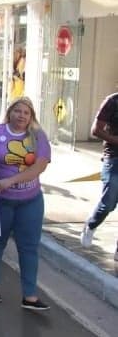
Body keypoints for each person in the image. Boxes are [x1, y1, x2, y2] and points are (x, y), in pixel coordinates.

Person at [0, 97, 51, 311]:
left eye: (26, 112)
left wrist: (10, 181)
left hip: (30, 201)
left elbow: (39, 167)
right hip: (1, 201)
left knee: (29, 248)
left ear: (31, 117)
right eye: (18, 111)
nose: (22, 115)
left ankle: (30, 296)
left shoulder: (38, 137)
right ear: (10, 112)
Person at [80, 92, 118, 261]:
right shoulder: (112, 101)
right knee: (109, 202)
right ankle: (91, 224)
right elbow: (96, 130)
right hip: (114, 158)